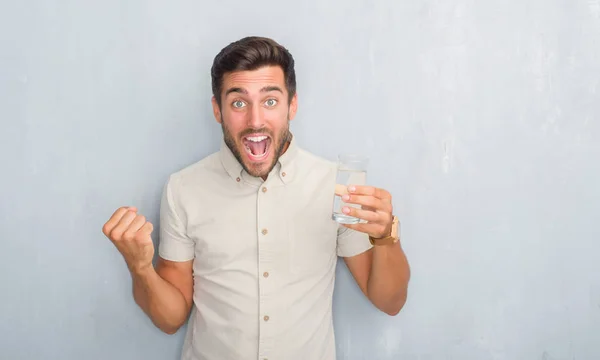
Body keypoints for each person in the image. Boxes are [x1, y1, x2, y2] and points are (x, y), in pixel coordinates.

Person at [102, 36, 410, 360]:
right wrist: (140, 268)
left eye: (270, 101)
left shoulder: (333, 186)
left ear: (292, 104)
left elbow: (390, 302)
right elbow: (170, 319)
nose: (255, 120)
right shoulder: (183, 189)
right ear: (217, 110)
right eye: (238, 103)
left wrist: (386, 236)